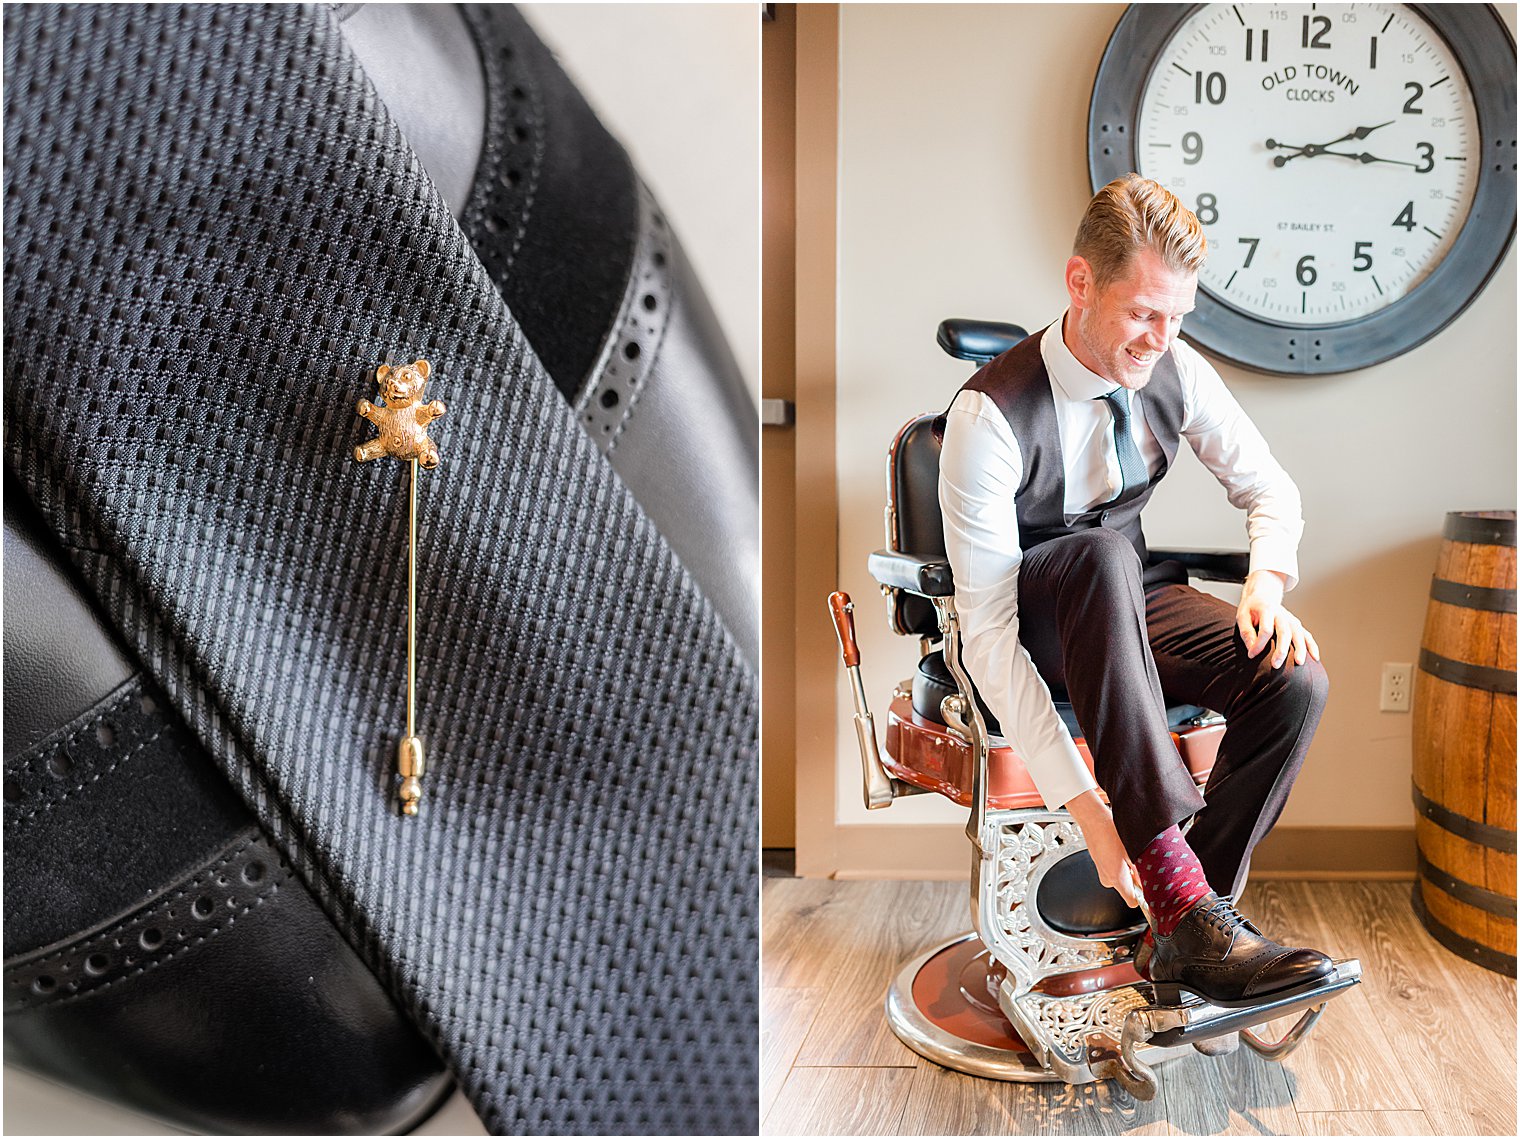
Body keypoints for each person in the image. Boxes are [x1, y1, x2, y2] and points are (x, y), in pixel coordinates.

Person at [938, 173, 1333, 1004]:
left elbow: (1274, 489)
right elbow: (989, 636)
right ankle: (1176, 889)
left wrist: (1267, 579)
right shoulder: (986, 420)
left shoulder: (1174, 368)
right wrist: (1090, 811)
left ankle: (1191, 925)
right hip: (1034, 619)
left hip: (1127, 600)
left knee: (1293, 678)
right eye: (1144, 313)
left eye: (1178, 316)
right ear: (1081, 282)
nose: (1162, 338)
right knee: (1099, 556)